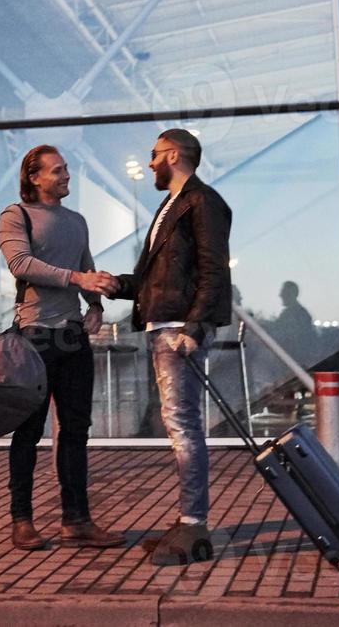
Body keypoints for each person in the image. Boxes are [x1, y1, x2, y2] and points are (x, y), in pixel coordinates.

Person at [111, 128, 233, 566]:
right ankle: (186, 520)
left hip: (179, 329)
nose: (149, 164)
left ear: (175, 154)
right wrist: (116, 286)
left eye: (155, 155)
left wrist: (195, 327)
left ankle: (195, 523)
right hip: (164, 324)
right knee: (178, 423)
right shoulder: (171, 205)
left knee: (184, 425)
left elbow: (213, 270)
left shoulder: (202, 201)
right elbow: (155, 279)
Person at [0, 145, 125, 552]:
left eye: (67, 168)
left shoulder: (77, 221)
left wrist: (95, 306)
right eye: (58, 170)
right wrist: (79, 280)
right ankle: (22, 520)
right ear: (34, 177)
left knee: (75, 433)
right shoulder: (15, 215)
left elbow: (87, 270)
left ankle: (77, 521)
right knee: (29, 431)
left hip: (73, 338)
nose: (66, 175)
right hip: (33, 337)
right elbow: (21, 265)